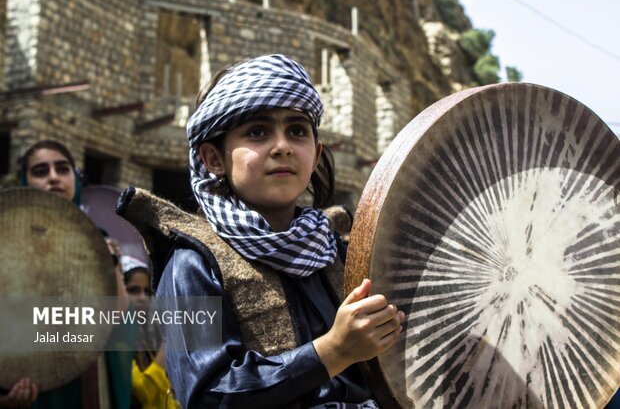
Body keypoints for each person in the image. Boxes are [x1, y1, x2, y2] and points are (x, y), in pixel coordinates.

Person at [125, 54, 406, 408]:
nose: (282, 146)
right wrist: (334, 350)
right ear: (213, 159)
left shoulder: (339, 252)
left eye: (297, 131)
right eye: (258, 132)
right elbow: (207, 395)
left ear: (315, 155)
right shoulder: (190, 265)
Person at [0, 140, 132, 408]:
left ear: (76, 178)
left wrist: (111, 263)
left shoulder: (99, 239)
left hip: (85, 374)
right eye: (40, 171)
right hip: (28, 374)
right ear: (26, 181)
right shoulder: (6, 237)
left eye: (62, 169)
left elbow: (118, 314)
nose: (53, 177)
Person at [121, 256, 178, 409]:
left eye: (147, 291)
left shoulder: (148, 332)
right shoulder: (113, 336)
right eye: (133, 290)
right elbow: (143, 391)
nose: (142, 298)